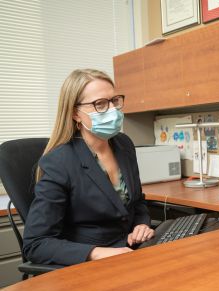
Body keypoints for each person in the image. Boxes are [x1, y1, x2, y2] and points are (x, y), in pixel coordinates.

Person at [23, 69, 154, 266]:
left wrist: (141, 224)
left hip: (132, 251)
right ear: (76, 113)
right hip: (91, 264)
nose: (112, 110)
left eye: (114, 100)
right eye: (100, 104)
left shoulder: (123, 144)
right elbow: (36, 244)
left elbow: (137, 203)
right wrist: (97, 254)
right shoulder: (60, 162)